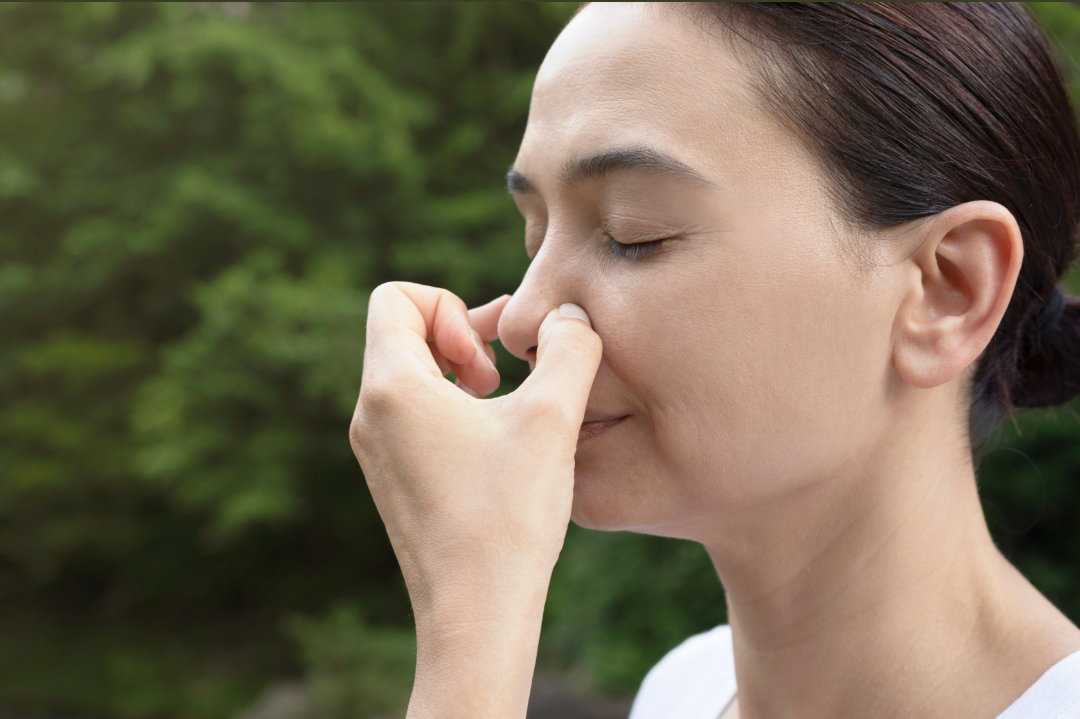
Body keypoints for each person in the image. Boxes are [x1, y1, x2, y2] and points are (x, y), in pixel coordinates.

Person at [350, 3, 1080, 717]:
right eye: (534, 234)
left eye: (634, 232)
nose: (520, 318)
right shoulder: (681, 690)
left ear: (948, 288)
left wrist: (472, 627)